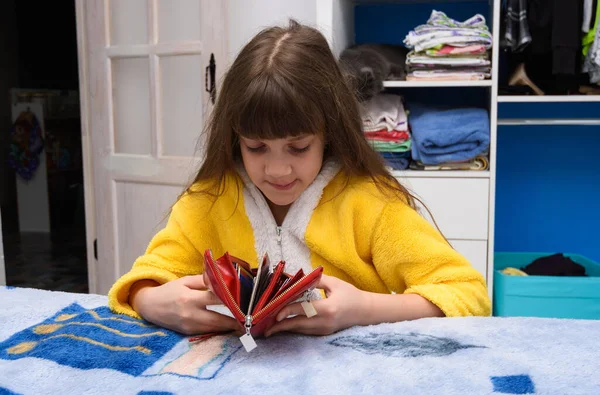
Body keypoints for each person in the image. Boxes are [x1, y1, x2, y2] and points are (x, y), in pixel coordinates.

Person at [108, 20, 491, 338]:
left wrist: (365, 308)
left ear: (329, 133)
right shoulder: (209, 199)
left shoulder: (369, 202)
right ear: (234, 137)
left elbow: (468, 294)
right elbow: (146, 277)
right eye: (256, 147)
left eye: (298, 147)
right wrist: (149, 301)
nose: (277, 170)